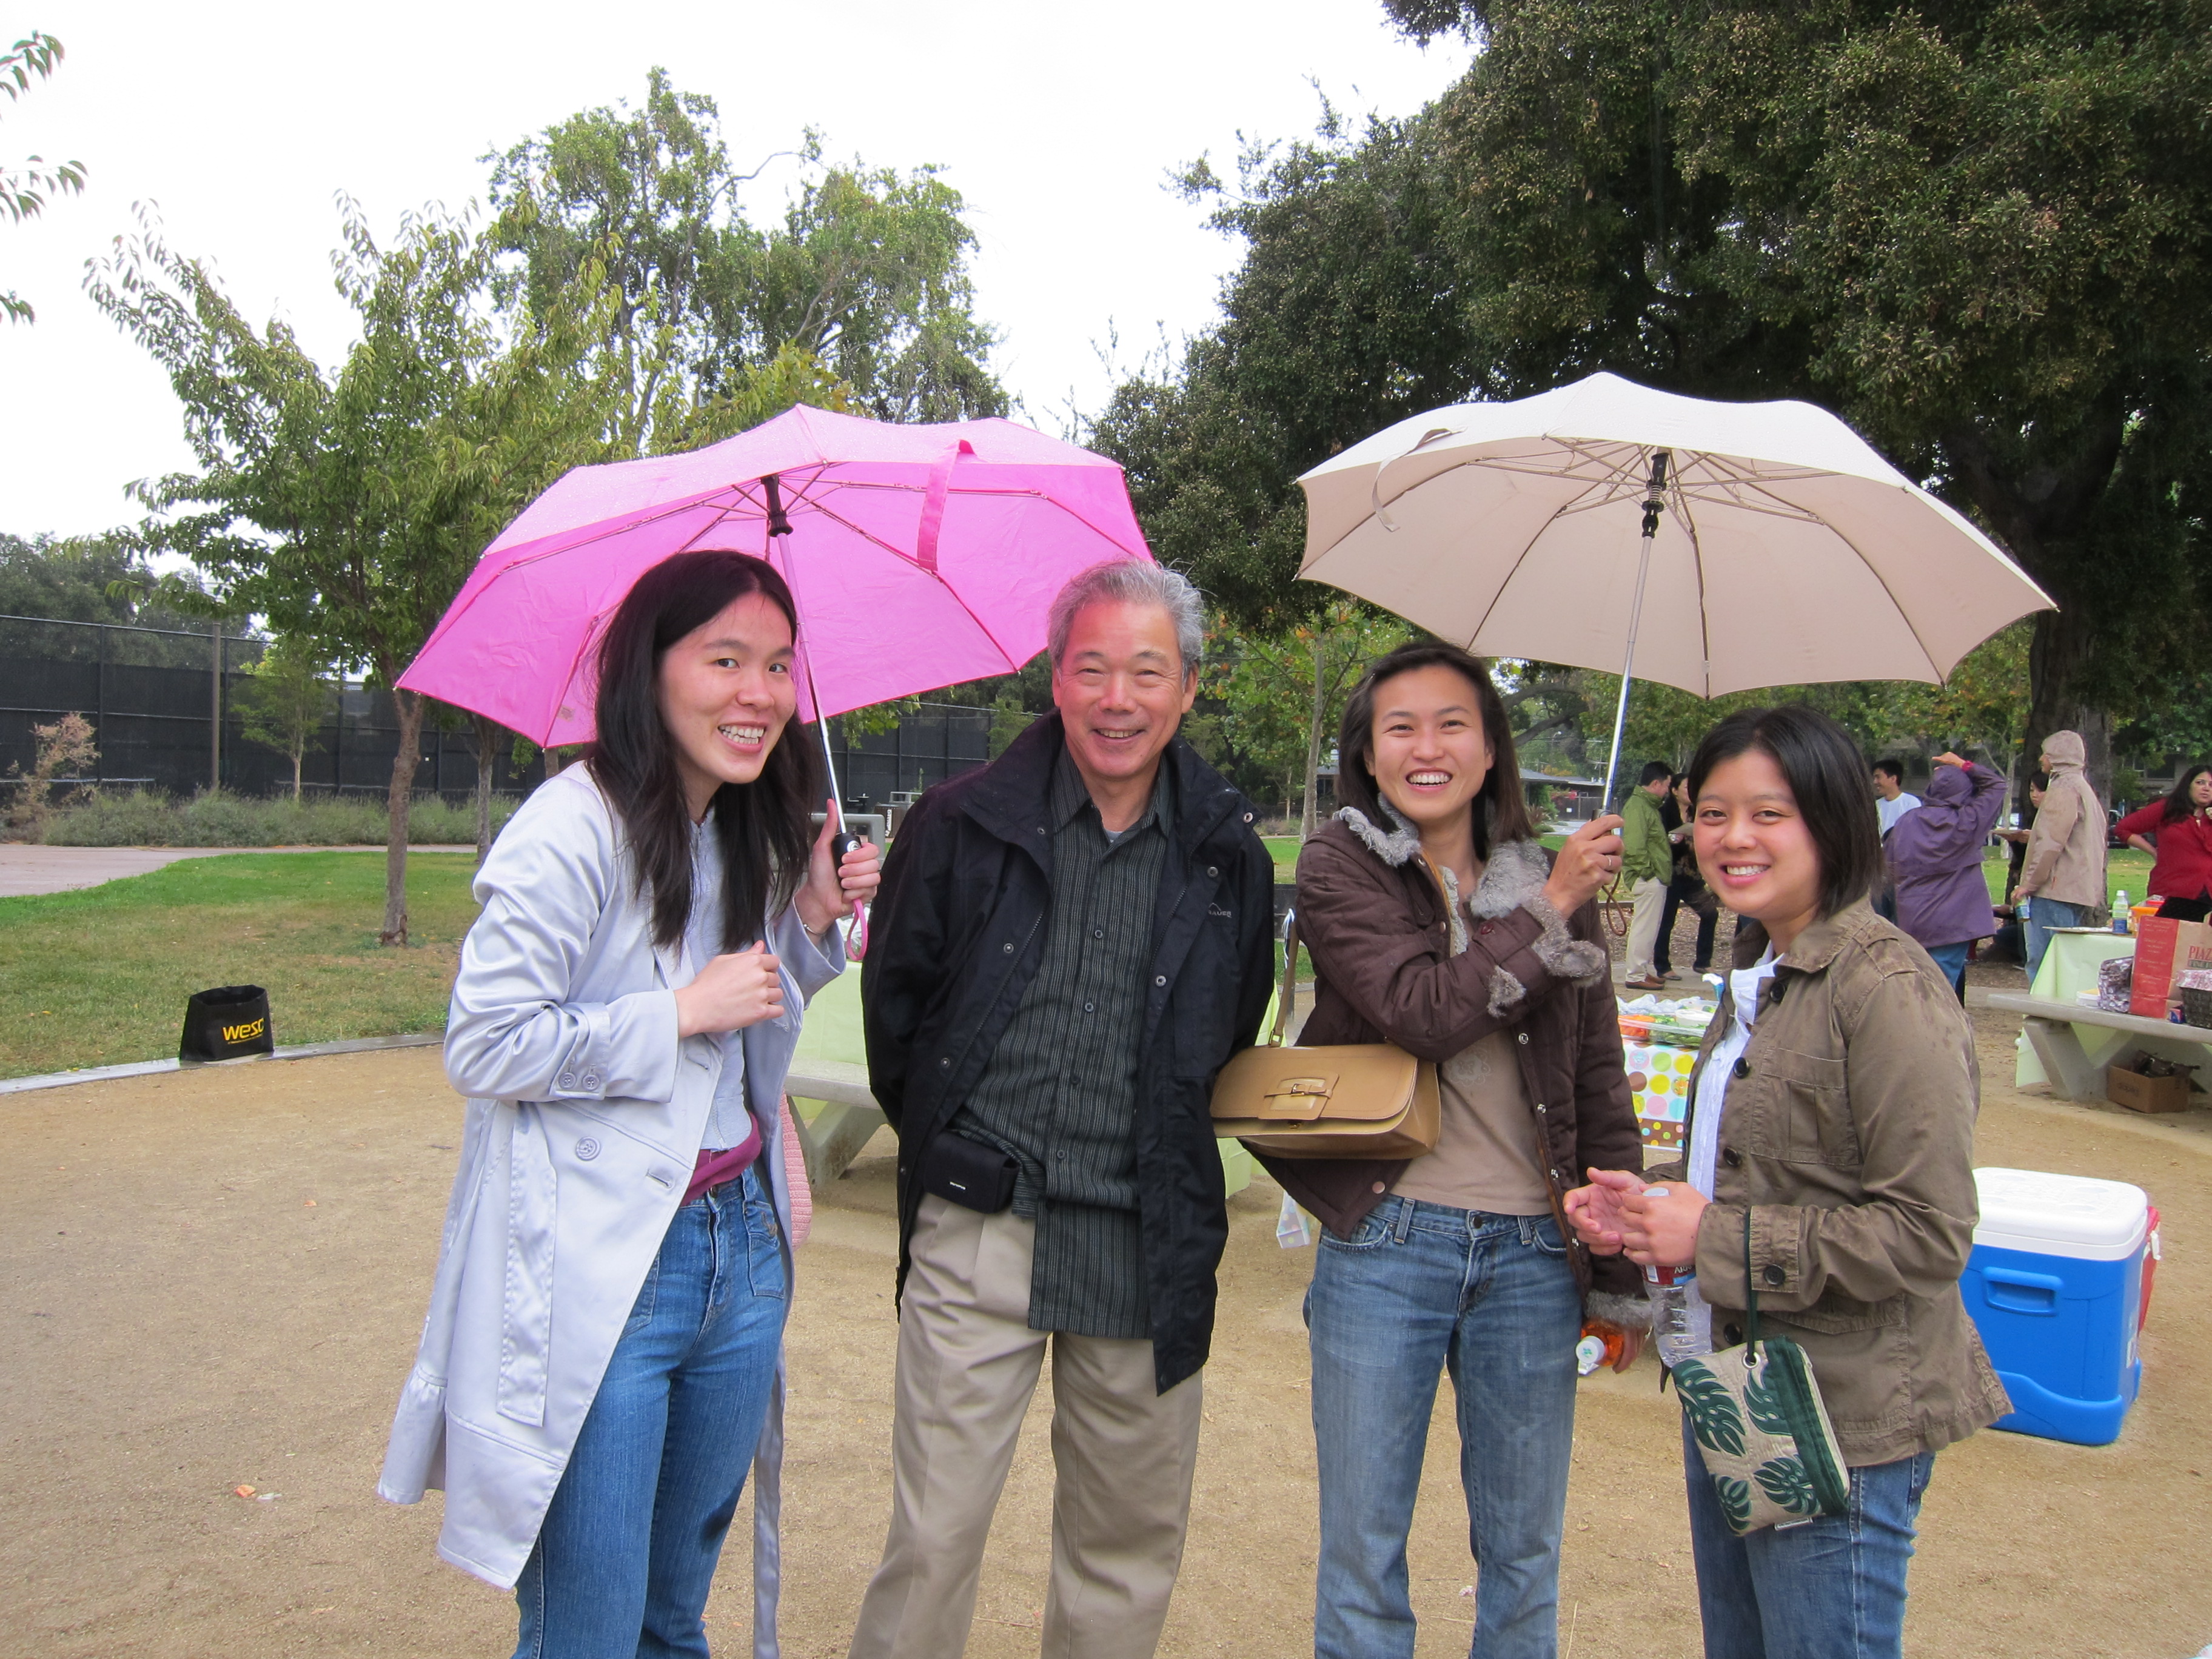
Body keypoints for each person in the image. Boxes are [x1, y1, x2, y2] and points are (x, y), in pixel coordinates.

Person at [378, 551, 881, 1655]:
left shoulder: (734, 824)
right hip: (611, 1266)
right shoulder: (570, 827)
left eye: (778, 666)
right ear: (649, 670)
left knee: (669, 1615)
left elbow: (738, 1031)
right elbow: (486, 1042)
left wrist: (806, 917)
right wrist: (679, 1012)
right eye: (724, 660)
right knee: (590, 1628)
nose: (759, 693)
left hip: (741, 1248)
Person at [850, 559, 1275, 1659]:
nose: (1116, 699)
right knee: (931, 1538)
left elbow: (1230, 1025)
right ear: (1054, 679)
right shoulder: (958, 825)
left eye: (1147, 671)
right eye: (1091, 668)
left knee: (1121, 1556)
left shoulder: (1226, 852)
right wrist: (957, 1150)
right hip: (979, 1230)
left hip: (1144, 1242)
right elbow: (899, 1021)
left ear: (1189, 687)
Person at [1565, 705, 2009, 1659]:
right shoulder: (1761, 968)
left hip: (1844, 1415)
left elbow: (1929, 1232)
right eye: (1712, 812)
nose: (1734, 838)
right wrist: (1648, 1204)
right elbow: (1760, 1162)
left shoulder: (1886, 988)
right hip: (1736, 1384)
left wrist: (1711, 1238)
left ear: (1833, 821)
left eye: (1769, 813)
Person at [1256, 641, 1646, 1659]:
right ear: (1367, 754)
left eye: (1451, 725)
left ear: (1489, 749)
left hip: (1534, 1253)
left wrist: (1618, 1275)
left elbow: (1597, 1078)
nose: (1426, 748)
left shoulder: (1548, 872)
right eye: (1400, 728)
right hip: (1388, 1237)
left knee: (1523, 1552)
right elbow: (1422, 1012)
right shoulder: (1344, 864)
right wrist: (1551, 909)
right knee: (1363, 1549)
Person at [1885, 751, 2007, 997]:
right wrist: (1964, 765)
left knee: (1913, 984)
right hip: (1954, 922)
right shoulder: (1968, 821)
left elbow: (1887, 866)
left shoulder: (1907, 822)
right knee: (1942, 989)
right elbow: (1997, 786)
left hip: (1913, 917)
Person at [2015, 730, 2108, 979]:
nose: (2041, 759)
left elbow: (2051, 842)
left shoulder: (2063, 788)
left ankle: (2043, 1005)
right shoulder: (2084, 788)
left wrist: (2029, 883)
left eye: (2046, 754)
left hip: (2054, 888)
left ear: (2058, 757)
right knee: (2063, 962)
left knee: (2045, 962)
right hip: (2077, 888)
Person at [2114, 765, 2212, 922]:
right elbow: (2123, 829)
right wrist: (2154, 852)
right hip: (2172, 889)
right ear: (2188, 785)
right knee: (2167, 934)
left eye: (2211, 785)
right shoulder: (2167, 809)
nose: (2206, 788)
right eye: (2200, 783)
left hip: (2208, 892)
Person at [1656, 770, 1720, 979]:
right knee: (1666, 921)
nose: (1692, 792)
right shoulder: (1664, 813)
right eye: (1687, 787)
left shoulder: (1699, 813)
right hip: (1671, 876)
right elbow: (1661, 845)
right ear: (1675, 791)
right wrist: (1679, 841)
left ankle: (1703, 962)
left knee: (1710, 913)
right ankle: (1662, 966)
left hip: (1692, 876)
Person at [1621, 759, 1675, 990]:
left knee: (1649, 928)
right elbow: (1633, 847)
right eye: (1667, 786)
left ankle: (1640, 969)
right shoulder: (1638, 807)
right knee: (1644, 928)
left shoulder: (1646, 807)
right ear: (1656, 784)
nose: (1667, 791)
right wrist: (1648, 874)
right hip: (1647, 878)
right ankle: (1635, 975)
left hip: (1652, 877)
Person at [1871, 759, 1921, 834]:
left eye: (1878, 777)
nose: (1875, 782)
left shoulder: (1911, 803)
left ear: (1893, 779)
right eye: (1874, 778)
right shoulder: (1876, 805)